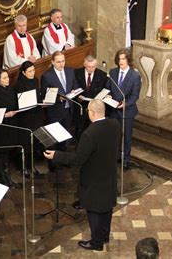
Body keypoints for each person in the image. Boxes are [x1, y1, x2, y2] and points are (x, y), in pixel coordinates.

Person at [44, 100, 121, 252]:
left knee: (93, 209)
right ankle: (104, 236)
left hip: (94, 177)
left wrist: (57, 155)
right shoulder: (115, 124)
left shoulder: (89, 133)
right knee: (107, 207)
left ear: (92, 113)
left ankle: (96, 243)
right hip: (110, 173)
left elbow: (78, 159)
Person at [106, 49, 141, 170]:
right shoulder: (112, 72)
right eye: (119, 59)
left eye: (123, 59)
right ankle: (114, 157)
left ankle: (125, 160)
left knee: (126, 137)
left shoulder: (135, 76)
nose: (121, 61)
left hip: (127, 112)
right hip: (113, 111)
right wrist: (108, 95)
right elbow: (108, 88)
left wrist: (125, 104)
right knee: (114, 136)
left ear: (128, 60)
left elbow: (135, 96)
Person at [41, 51, 78, 150]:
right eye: (58, 62)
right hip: (55, 111)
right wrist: (59, 98)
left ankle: (63, 160)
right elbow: (45, 95)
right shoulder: (47, 75)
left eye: (63, 61)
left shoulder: (70, 71)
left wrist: (74, 90)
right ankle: (53, 164)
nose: (61, 64)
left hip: (68, 109)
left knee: (65, 138)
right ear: (52, 62)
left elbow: (75, 84)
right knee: (54, 139)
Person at [13, 61, 43, 175]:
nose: (32, 73)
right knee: (25, 143)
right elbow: (19, 102)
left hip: (36, 115)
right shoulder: (19, 85)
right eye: (29, 71)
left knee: (34, 142)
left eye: (33, 70)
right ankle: (23, 167)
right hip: (25, 118)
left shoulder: (35, 80)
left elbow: (37, 95)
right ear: (24, 73)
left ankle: (32, 165)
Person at [74, 55, 107, 137]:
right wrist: (78, 96)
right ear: (84, 64)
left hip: (95, 109)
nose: (91, 69)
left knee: (93, 133)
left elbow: (104, 90)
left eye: (93, 67)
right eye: (89, 67)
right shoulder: (76, 73)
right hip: (80, 107)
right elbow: (74, 87)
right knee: (80, 132)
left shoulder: (102, 75)